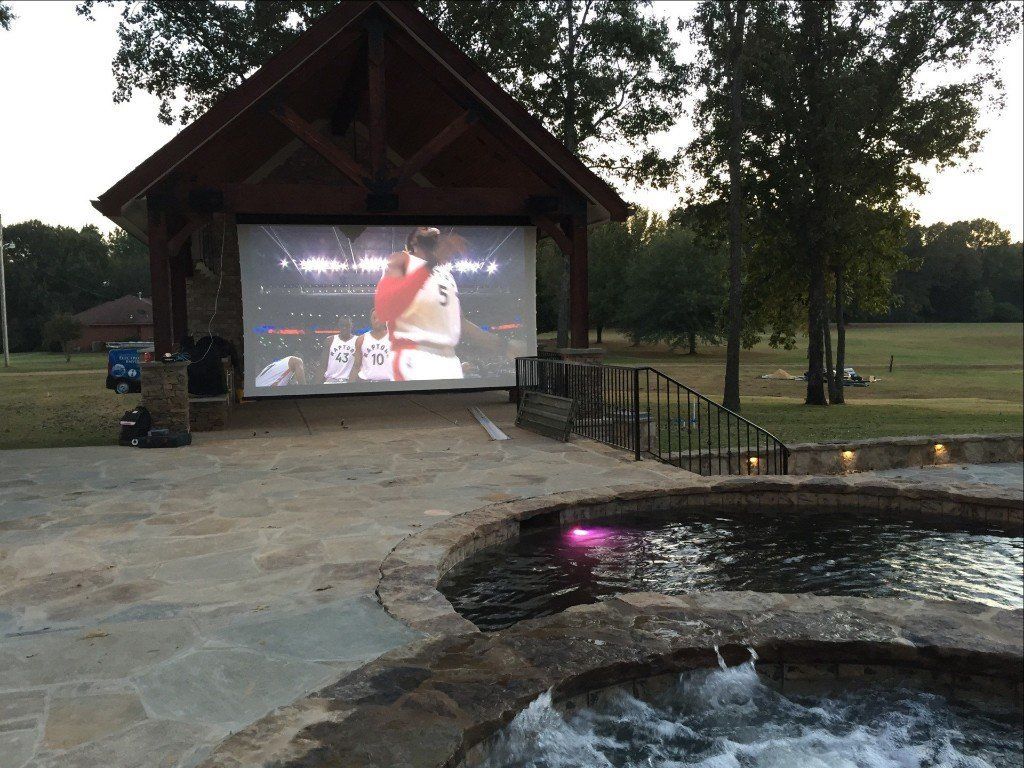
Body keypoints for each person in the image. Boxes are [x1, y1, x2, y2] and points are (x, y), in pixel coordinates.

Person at [374, 227, 516, 381]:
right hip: (413, 355)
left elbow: (460, 322)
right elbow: (385, 311)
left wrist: (504, 346)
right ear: (414, 240)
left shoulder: (446, 274)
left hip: (450, 358)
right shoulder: (401, 262)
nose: (433, 232)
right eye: (426, 230)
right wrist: (430, 264)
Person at [356, 310, 393, 382]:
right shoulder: (361, 339)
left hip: (389, 383)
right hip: (366, 383)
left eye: (379, 317)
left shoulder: (394, 338)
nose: (376, 320)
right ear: (370, 320)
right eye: (374, 318)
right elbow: (356, 365)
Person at [322, 316, 357, 384]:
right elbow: (322, 365)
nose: (344, 328)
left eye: (347, 325)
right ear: (339, 326)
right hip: (331, 380)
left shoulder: (358, 340)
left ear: (352, 326)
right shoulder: (330, 340)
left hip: (350, 381)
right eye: (342, 325)